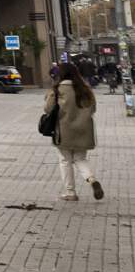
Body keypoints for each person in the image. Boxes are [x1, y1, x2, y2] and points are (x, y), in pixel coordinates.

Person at [46, 60, 102, 201]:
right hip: (84, 130)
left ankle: (70, 192)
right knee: (80, 158)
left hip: (63, 132)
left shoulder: (57, 90)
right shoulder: (85, 89)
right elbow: (93, 109)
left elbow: (48, 109)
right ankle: (92, 180)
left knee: (65, 160)